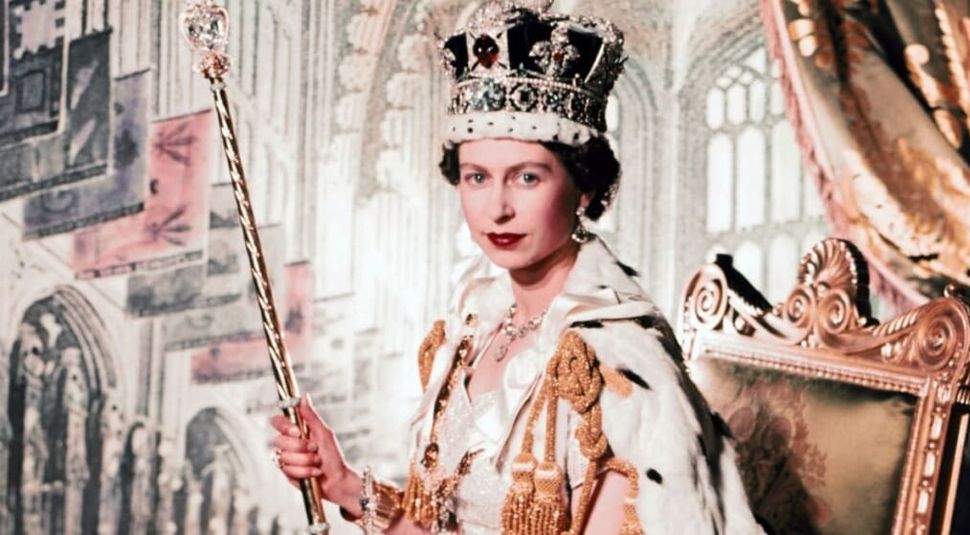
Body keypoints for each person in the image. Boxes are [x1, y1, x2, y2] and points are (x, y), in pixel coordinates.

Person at [271, 1, 763, 533]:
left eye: (527, 177)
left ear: (585, 187)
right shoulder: (475, 329)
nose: (497, 208)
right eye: (477, 177)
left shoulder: (621, 374)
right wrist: (343, 483)